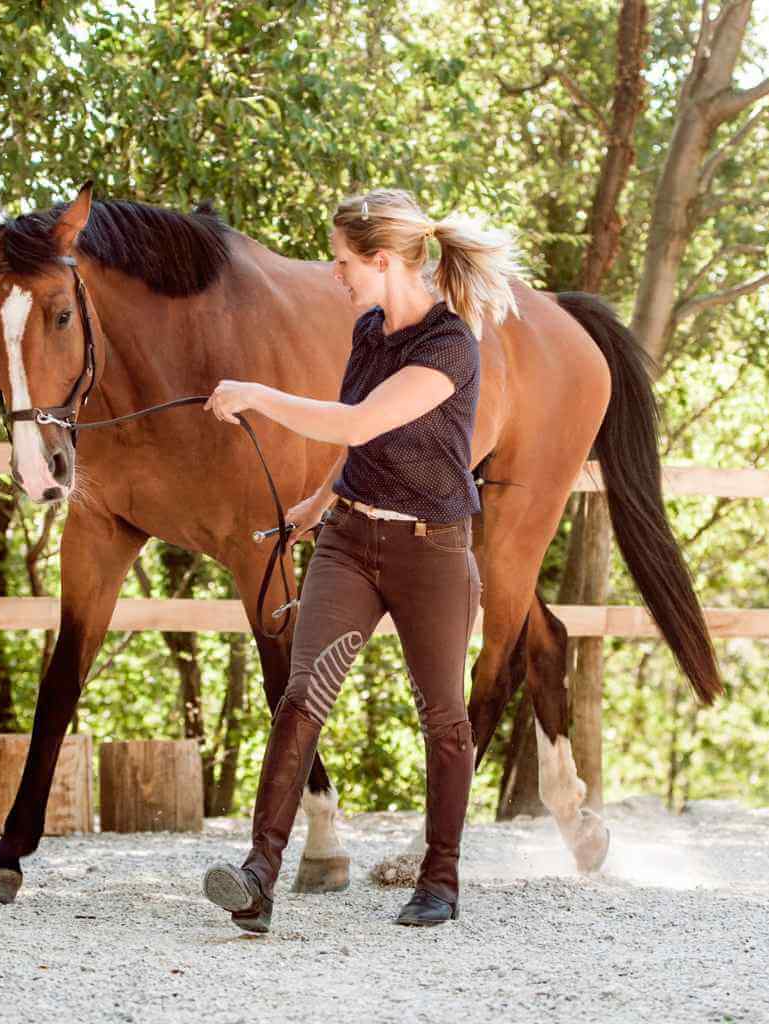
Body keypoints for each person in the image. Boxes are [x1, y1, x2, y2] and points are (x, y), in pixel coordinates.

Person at [201, 188, 521, 930]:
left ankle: (440, 881)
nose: (334, 273)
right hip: (348, 539)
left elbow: (361, 417)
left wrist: (255, 393)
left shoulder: (450, 345)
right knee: (302, 696)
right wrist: (320, 499)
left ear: (381, 261)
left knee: (444, 717)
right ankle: (258, 876)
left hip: (431, 551)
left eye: (343, 261)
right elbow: (360, 443)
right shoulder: (369, 330)